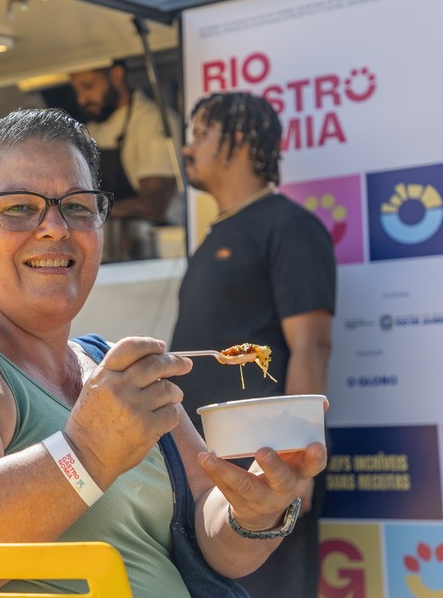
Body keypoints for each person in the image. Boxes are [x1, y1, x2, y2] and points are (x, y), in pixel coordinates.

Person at [0, 108, 327, 595]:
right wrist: (84, 455)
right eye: (19, 207)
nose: (55, 227)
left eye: (77, 206)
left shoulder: (111, 366)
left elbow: (212, 533)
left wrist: (254, 513)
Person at [170, 91, 336, 598]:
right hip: (204, 471)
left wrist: (297, 467)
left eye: (199, 133)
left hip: (267, 468)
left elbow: (312, 346)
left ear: (238, 141)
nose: (186, 147)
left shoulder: (290, 227)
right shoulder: (217, 234)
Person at [68, 61, 179, 225]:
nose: (82, 99)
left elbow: (154, 206)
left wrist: (85, 211)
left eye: (88, 86)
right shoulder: (89, 131)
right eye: (77, 91)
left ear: (116, 75)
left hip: (161, 239)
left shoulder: (152, 121)